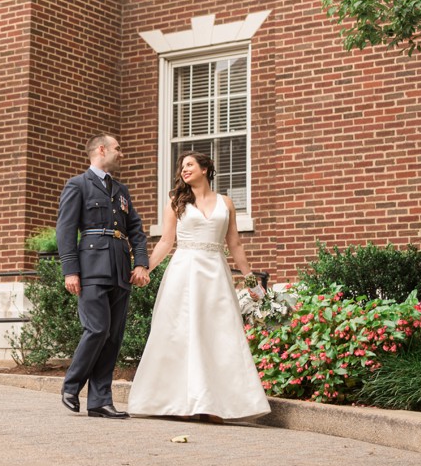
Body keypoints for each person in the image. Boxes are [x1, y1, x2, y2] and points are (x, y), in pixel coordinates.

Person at [127, 150, 270, 421]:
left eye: (190, 165)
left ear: (205, 169)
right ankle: (179, 403)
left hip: (216, 275)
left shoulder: (226, 203)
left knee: (219, 335)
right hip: (184, 272)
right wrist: (144, 269)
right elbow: (166, 242)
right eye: (182, 167)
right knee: (180, 333)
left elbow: (235, 245)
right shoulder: (176, 202)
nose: (184, 170)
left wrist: (252, 282)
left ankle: (214, 404)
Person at [57, 134, 150, 419]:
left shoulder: (121, 190)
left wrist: (141, 263)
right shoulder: (78, 184)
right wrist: (71, 270)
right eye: (117, 148)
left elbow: (135, 229)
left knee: (113, 338)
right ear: (101, 150)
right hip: (91, 268)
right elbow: (65, 229)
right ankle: (71, 386)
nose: (121, 153)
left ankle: (100, 401)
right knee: (97, 329)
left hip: (120, 269)